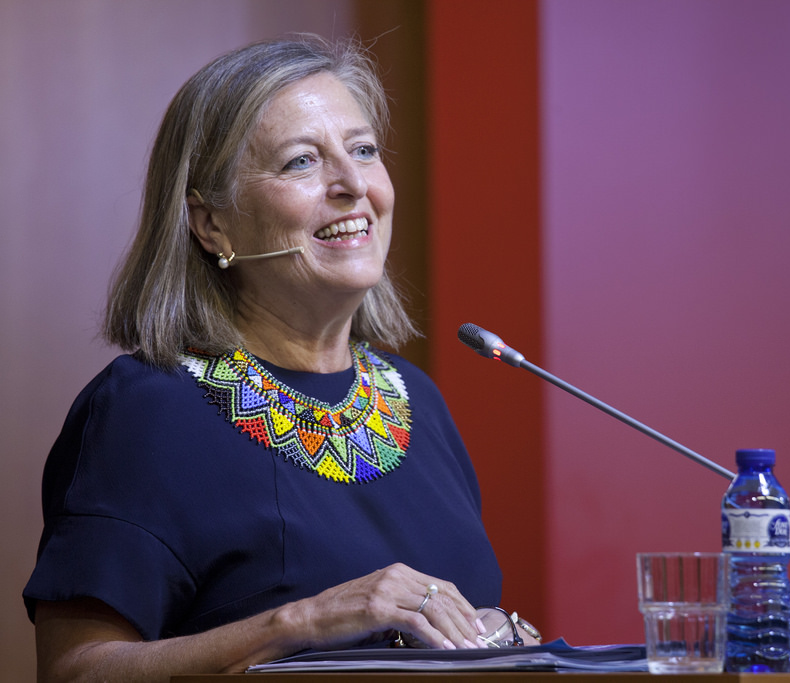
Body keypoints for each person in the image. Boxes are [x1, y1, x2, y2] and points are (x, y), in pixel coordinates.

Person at [23, 35, 534, 681]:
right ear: (212, 225)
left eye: (364, 150)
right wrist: (304, 622)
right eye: (301, 162)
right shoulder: (146, 410)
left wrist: (504, 637)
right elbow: (77, 672)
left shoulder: (413, 397)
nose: (352, 185)